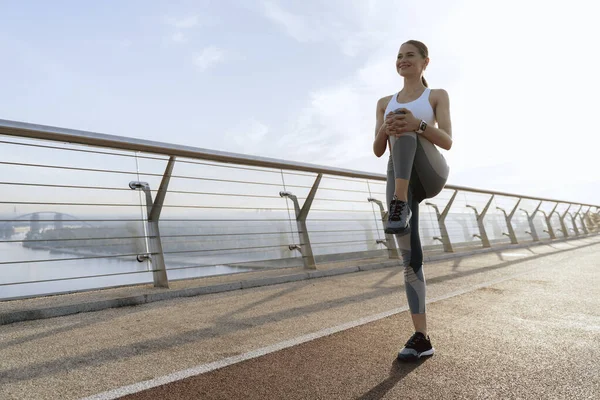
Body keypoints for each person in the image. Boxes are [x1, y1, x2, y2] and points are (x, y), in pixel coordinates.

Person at [372, 40, 453, 361]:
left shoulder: (436, 95)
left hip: (430, 172)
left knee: (404, 123)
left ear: (424, 62)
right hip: (399, 175)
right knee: (410, 261)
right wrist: (386, 127)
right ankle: (421, 338)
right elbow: (378, 149)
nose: (403, 60)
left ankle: (398, 203)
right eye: (399, 56)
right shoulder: (383, 102)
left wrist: (415, 125)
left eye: (410, 55)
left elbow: (447, 140)